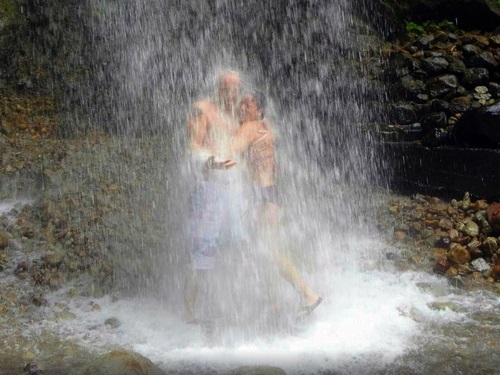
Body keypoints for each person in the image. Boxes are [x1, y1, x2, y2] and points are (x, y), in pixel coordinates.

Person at [228, 91, 323, 317]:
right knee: (265, 249)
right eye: (241, 105)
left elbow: (231, 150)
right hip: (271, 194)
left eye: (247, 105)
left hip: (262, 195)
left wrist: (207, 155)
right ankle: (272, 302)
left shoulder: (250, 127)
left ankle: (308, 294)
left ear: (259, 110)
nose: (242, 109)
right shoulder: (265, 127)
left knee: (270, 250)